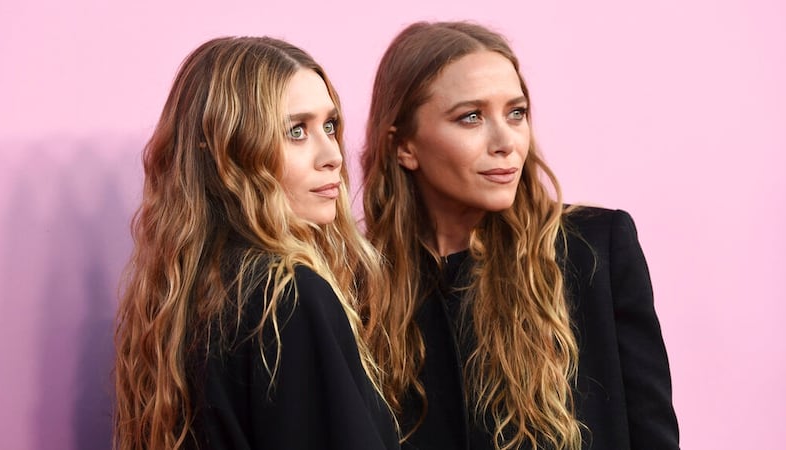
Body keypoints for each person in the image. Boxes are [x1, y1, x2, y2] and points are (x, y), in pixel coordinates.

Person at [360, 21, 679, 450]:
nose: (506, 141)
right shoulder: (360, 283)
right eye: (471, 117)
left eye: (517, 113)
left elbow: (653, 433)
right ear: (404, 147)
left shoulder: (594, 248)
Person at [113, 36, 399, 450]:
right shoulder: (288, 295)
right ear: (225, 152)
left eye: (330, 126)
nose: (332, 154)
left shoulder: (185, 293)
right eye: (296, 131)